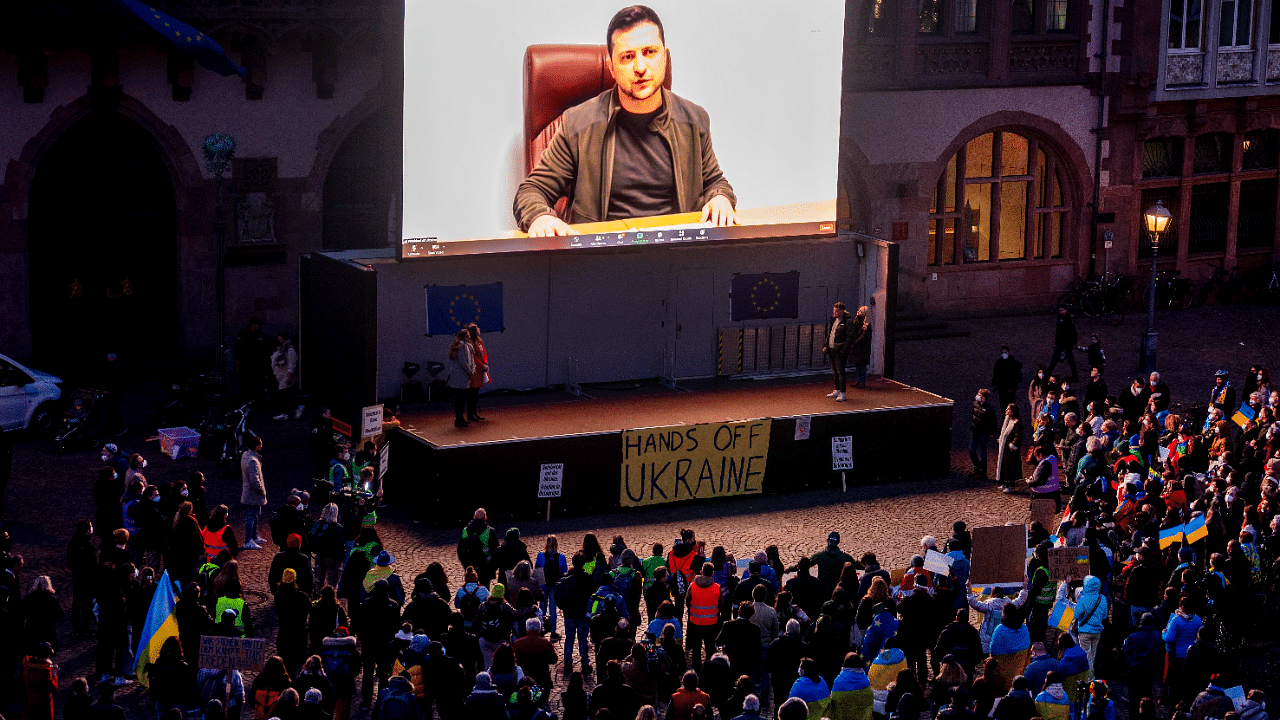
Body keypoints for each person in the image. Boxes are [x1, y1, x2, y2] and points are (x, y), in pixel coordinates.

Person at [514, 5, 736, 235]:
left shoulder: (694, 120)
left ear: (665, 56)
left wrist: (720, 197)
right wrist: (540, 217)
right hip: (603, 258)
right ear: (611, 67)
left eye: (650, 52)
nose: (640, 67)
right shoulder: (578, 124)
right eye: (627, 57)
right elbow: (532, 191)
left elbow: (716, 182)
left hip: (675, 254)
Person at [823, 302, 856, 402]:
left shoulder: (848, 322)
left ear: (842, 311)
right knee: (835, 371)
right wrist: (826, 345)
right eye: (834, 310)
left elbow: (850, 337)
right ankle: (837, 389)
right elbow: (830, 333)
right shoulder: (833, 320)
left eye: (837, 311)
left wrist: (844, 348)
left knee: (840, 371)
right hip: (832, 349)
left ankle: (843, 392)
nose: (835, 312)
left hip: (840, 350)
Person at [240, 435, 268, 550]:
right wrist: (261, 490)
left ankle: (254, 536)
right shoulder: (253, 461)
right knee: (251, 516)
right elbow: (254, 480)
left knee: (255, 515)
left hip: (250, 491)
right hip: (254, 493)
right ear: (257, 446)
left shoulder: (245, 456)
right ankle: (248, 540)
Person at [447, 329, 476, 428]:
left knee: (462, 398)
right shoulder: (461, 346)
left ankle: (460, 418)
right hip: (460, 375)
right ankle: (458, 418)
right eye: (467, 336)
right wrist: (470, 371)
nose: (469, 337)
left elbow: (471, 360)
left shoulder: (467, 346)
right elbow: (463, 361)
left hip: (463, 375)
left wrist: (473, 369)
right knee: (459, 399)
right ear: (463, 337)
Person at [271, 333, 300, 420]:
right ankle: (293, 408)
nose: (279, 341)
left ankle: (286, 412)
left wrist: (289, 374)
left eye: (280, 339)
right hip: (280, 374)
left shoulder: (289, 350)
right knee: (286, 393)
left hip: (285, 374)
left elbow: (292, 362)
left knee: (285, 393)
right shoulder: (280, 349)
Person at [971, 389, 998, 481]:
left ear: (985, 398)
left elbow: (994, 422)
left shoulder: (989, 409)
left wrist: (991, 432)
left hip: (983, 433)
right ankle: (977, 467)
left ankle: (982, 472)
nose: (978, 397)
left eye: (980, 396)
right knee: (971, 450)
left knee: (982, 452)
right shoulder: (975, 404)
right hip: (974, 431)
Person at [1046, 305, 1078, 381]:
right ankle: (1048, 372)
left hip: (1067, 342)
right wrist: (1056, 342)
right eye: (1060, 311)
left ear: (1066, 310)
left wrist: (1074, 342)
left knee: (1069, 359)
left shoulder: (1069, 319)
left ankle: (1075, 375)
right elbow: (1058, 331)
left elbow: (1073, 332)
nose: (1060, 312)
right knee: (1055, 357)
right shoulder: (1059, 318)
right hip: (1061, 342)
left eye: (1062, 310)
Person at [465, 323, 489, 422]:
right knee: (472, 393)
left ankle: (474, 413)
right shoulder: (471, 343)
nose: (479, 329)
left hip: (481, 369)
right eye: (477, 328)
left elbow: (484, 354)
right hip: (476, 370)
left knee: (476, 393)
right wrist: (481, 365)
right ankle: (470, 414)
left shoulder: (479, 342)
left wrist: (485, 363)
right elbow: (474, 357)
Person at [997, 404, 1023, 492]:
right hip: (1006, 449)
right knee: (1004, 466)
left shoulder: (1017, 422)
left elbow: (1018, 435)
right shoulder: (1008, 420)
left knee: (1010, 468)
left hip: (1011, 450)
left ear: (1012, 411)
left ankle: (1010, 485)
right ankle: (1004, 483)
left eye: (1008, 409)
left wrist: (1013, 444)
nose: (1006, 410)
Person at [849, 305, 873, 389]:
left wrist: (854, 342)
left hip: (863, 348)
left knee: (862, 366)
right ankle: (858, 381)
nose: (858, 313)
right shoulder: (857, 322)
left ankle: (862, 381)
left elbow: (864, 336)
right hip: (857, 347)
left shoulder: (867, 325)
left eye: (860, 312)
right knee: (858, 365)